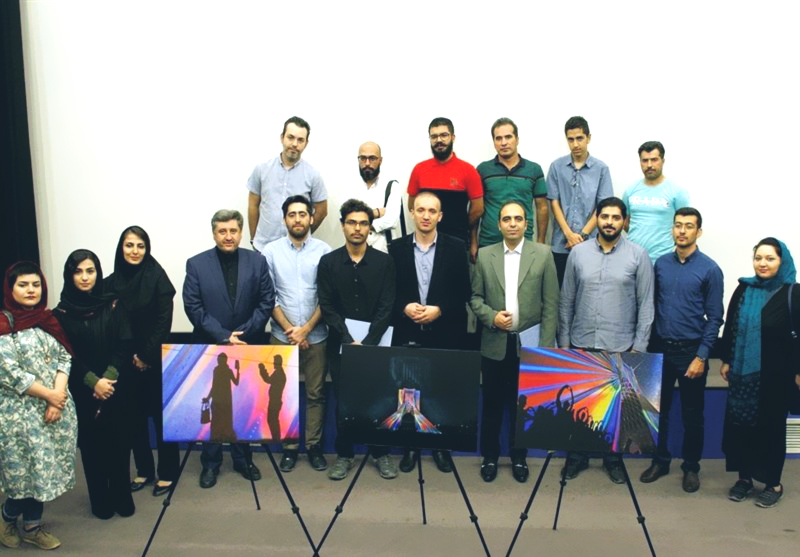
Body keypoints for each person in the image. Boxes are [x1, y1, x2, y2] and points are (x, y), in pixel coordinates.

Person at [558, 197, 654, 483]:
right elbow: (566, 300)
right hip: (582, 341)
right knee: (581, 404)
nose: (610, 222)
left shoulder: (638, 255)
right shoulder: (578, 254)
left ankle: (613, 460)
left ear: (624, 221)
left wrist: (639, 347)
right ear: (597, 219)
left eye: (616, 217)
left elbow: (646, 304)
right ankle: (577, 457)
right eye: (604, 216)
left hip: (620, 344)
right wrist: (565, 343)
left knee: (616, 409)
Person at [183, 209, 275, 488]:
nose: (228, 236)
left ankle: (243, 459)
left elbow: (266, 301)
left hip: (248, 343)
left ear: (241, 233)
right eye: (222, 231)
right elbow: (193, 306)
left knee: (244, 406)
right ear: (214, 234)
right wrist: (224, 336)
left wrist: (243, 333)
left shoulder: (257, 261)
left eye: (233, 231)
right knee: (215, 408)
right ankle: (210, 464)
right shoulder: (196, 264)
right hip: (211, 346)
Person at [470, 201, 559, 482]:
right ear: (498, 225)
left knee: (522, 407)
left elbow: (551, 305)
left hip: (529, 346)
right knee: (492, 405)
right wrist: (492, 317)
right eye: (507, 219)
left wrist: (544, 350)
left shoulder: (543, 254)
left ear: (526, 224)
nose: (512, 223)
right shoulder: (485, 255)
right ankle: (490, 457)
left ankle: (519, 457)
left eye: (518, 219)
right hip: (495, 344)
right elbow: (475, 298)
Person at [640, 208, 724, 492]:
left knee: (692, 416)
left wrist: (702, 356)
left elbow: (715, 317)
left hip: (691, 352)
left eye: (689, 226)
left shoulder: (710, 269)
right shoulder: (661, 264)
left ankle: (691, 467)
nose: (682, 231)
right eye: (678, 225)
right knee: (657, 411)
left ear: (699, 232)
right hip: (661, 349)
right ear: (672, 229)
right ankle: (660, 461)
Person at [389, 191, 471, 473]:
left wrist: (440, 309)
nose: (426, 216)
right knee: (409, 391)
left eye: (432, 211)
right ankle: (410, 447)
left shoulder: (456, 247)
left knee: (441, 390)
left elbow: (464, 292)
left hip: (445, 331)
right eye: (421, 210)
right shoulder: (396, 248)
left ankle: (440, 446)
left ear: (440, 216)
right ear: (412, 212)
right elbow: (389, 291)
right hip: (407, 331)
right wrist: (404, 306)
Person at [318, 199, 397, 481]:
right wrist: (347, 338)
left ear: (370, 228)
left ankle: (381, 453)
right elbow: (327, 305)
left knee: (380, 399)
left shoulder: (385, 262)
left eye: (363, 223)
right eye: (351, 222)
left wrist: (369, 342)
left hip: (377, 345)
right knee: (345, 401)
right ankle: (345, 454)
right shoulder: (329, 263)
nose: (357, 228)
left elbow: (387, 305)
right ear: (343, 226)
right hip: (341, 345)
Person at [54, 250, 136, 519]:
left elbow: (124, 344)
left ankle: (122, 496)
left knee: (119, 443)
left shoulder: (113, 303)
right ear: (69, 275)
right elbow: (66, 355)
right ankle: (100, 501)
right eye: (78, 272)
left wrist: (107, 379)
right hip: (83, 389)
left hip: (115, 386)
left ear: (98, 273)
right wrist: (93, 382)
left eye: (90, 271)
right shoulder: (60, 313)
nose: (85, 277)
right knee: (92, 448)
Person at [0, 262, 77, 550]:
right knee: (25, 473)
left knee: (45, 473)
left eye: (35, 285)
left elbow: (64, 357)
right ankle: (6, 518)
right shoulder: (4, 324)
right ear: (10, 289)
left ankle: (32, 527)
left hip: (54, 411)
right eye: (23, 285)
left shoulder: (47, 319)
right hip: (19, 416)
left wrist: (58, 396)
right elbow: (8, 372)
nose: (31, 290)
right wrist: (49, 395)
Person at [719, 237, 800, 508]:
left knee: (772, 429)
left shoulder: (793, 293)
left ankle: (773, 483)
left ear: (782, 261)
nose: (762, 263)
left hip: (776, 378)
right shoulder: (744, 289)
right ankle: (744, 479)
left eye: (770, 258)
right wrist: (726, 360)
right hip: (743, 376)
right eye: (758, 258)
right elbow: (731, 326)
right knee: (741, 426)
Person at [105, 226, 178, 498]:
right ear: (121, 248)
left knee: (161, 419)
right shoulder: (110, 283)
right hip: (125, 361)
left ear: (147, 249)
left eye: (140, 246)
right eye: (129, 245)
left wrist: (146, 356)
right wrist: (129, 357)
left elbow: (163, 322)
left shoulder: (158, 278)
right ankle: (144, 469)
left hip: (154, 360)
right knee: (134, 418)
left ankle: (168, 472)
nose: (135, 251)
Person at [262, 195, 331, 472]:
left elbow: (327, 296)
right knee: (283, 395)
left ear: (311, 218)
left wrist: (306, 330)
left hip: (317, 336)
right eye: (292, 214)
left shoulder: (324, 251)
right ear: (284, 219)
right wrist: (292, 330)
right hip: (282, 337)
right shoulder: (270, 252)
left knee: (316, 394)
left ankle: (314, 447)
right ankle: (289, 448)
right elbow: (268, 296)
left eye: (303, 214)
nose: (298, 219)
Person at [546, 116, 613, 286]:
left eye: (580, 138)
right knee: (561, 290)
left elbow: (603, 207)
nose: (575, 144)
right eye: (571, 139)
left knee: (589, 290)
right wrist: (569, 234)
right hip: (562, 243)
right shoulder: (556, 167)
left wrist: (582, 236)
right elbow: (554, 203)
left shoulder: (601, 169)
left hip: (592, 244)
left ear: (588, 138)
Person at [407, 117, 484, 261]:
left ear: (453, 137)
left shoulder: (468, 171)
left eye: (444, 135)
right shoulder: (419, 170)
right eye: (434, 136)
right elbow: (412, 205)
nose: (439, 140)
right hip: (425, 243)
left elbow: (478, 209)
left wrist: (462, 226)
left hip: (458, 242)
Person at [247, 116, 328, 252]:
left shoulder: (313, 175)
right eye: (290, 137)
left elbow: (322, 210)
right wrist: (253, 238)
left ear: (306, 143)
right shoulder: (262, 169)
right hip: (263, 247)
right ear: (282, 138)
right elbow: (253, 205)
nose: (295, 144)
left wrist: (303, 232)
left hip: (296, 249)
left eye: (300, 140)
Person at [477, 117, 548, 247]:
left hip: (524, 243)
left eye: (508, 137)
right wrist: (473, 242)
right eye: (498, 138)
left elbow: (542, 207)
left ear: (517, 140)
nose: (503, 143)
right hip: (489, 243)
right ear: (494, 142)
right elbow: (476, 208)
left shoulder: (534, 170)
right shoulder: (483, 170)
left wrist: (541, 241)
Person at [622, 141, 691, 263]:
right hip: (632, 258)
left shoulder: (677, 191)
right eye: (645, 160)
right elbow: (624, 222)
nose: (649, 165)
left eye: (654, 160)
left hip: (664, 259)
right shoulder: (630, 191)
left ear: (663, 161)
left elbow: (686, 226)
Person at [352, 141, 403, 253]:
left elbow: (392, 220)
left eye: (372, 158)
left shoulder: (392, 185)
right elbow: (344, 217)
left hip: (384, 251)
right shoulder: (350, 187)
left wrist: (359, 222)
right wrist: (376, 213)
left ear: (380, 160)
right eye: (363, 158)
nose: (367, 163)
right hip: (355, 252)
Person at [259, 355, 287, 442]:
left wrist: (262, 369)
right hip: (275, 401)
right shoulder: (279, 372)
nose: (273, 363)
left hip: (275, 401)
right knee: (273, 420)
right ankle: (276, 438)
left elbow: (268, 380)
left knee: (272, 420)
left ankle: (276, 439)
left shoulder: (279, 373)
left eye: (275, 361)